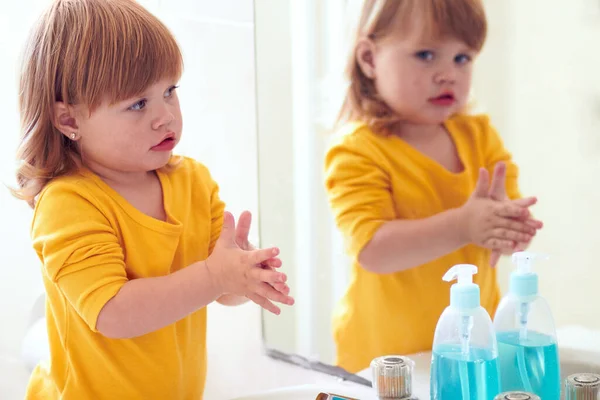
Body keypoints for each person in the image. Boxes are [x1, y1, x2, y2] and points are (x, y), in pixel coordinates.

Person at [12, 0, 294, 398]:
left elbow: (217, 290)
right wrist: (215, 274)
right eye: (138, 104)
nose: (166, 116)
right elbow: (113, 313)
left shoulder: (193, 182)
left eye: (169, 91)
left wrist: (241, 274)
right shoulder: (68, 204)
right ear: (70, 120)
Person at [324, 0, 543, 373]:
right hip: (387, 363)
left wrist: (509, 229)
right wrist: (464, 226)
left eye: (462, 58)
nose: (448, 74)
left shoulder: (480, 137)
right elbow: (373, 249)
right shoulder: (358, 151)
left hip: (474, 350)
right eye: (426, 54)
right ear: (370, 59)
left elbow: (509, 213)